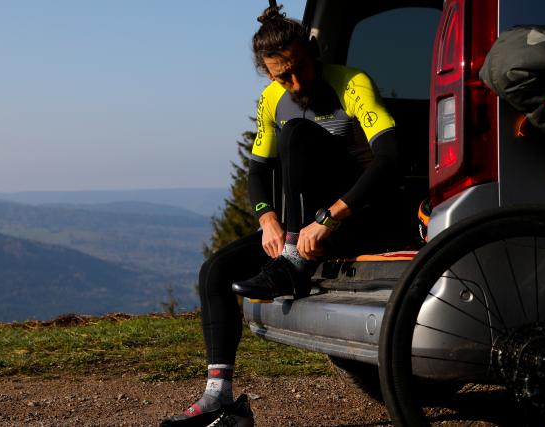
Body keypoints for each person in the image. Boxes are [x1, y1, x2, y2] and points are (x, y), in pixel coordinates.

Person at [161, 4, 400, 426]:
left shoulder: (351, 82)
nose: (293, 83)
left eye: (297, 69)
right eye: (280, 76)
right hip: (297, 229)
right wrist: (266, 218)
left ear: (312, 52)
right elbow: (257, 170)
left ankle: (292, 261)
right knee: (214, 271)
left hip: (353, 218)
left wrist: (329, 218)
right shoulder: (272, 98)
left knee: (297, 135)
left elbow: (389, 157)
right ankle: (221, 397)